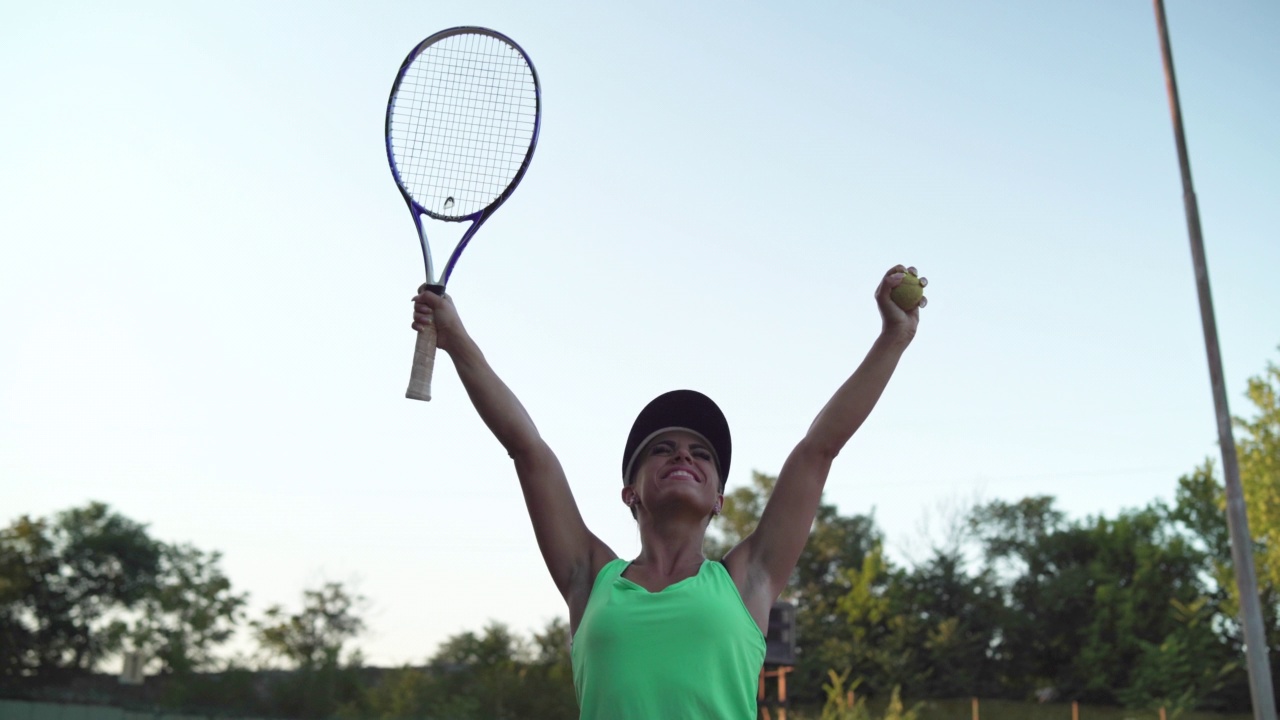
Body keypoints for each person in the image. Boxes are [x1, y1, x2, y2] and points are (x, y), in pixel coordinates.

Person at [411, 265, 926, 720]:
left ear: (719, 500)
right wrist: (457, 340)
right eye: (662, 449)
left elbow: (818, 450)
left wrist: (892, 340)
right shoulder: (590, 578)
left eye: (702, 455)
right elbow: (528, 449)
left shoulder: (748, 579)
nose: (684, 456)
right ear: (629, 492)